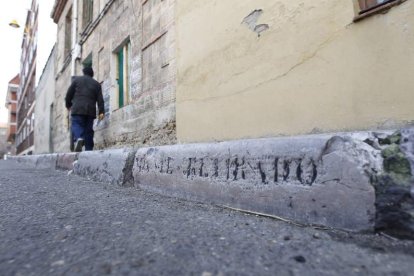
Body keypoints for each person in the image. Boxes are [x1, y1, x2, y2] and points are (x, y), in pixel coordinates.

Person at [65, 67, 104, 152]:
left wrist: (68, 104)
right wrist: (101, 112)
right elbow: (100, 99)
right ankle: (89, 149)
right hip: (90, 111)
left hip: (77, 109)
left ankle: (79, 138)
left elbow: (69, 94)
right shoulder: (96, 84)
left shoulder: (77, 81)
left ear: (83, 72)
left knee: (76, 125)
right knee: (88, 130)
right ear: (92, 74)